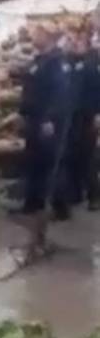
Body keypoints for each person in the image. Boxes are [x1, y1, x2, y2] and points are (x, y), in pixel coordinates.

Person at [18, 23, 73, 220]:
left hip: (48, 120)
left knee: (52, 163)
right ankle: (33, 202)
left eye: (37, 33)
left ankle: (60, 206)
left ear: (48, 36)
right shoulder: (39, 60)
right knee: (34, 161)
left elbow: (60, 93)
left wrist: (50, 118)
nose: (33, 36)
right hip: (34, 117)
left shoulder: (57, 62)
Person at [65, 29, 100, 210]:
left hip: (87, 115)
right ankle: (75, 193)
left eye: (77, 43)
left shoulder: (91, 64)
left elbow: (97, 90)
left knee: (88, 157)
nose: (73, 45)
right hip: (71, 116)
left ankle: (94, 196)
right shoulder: (69, 63)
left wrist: (97, 114)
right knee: (73, 155)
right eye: (72, 42)